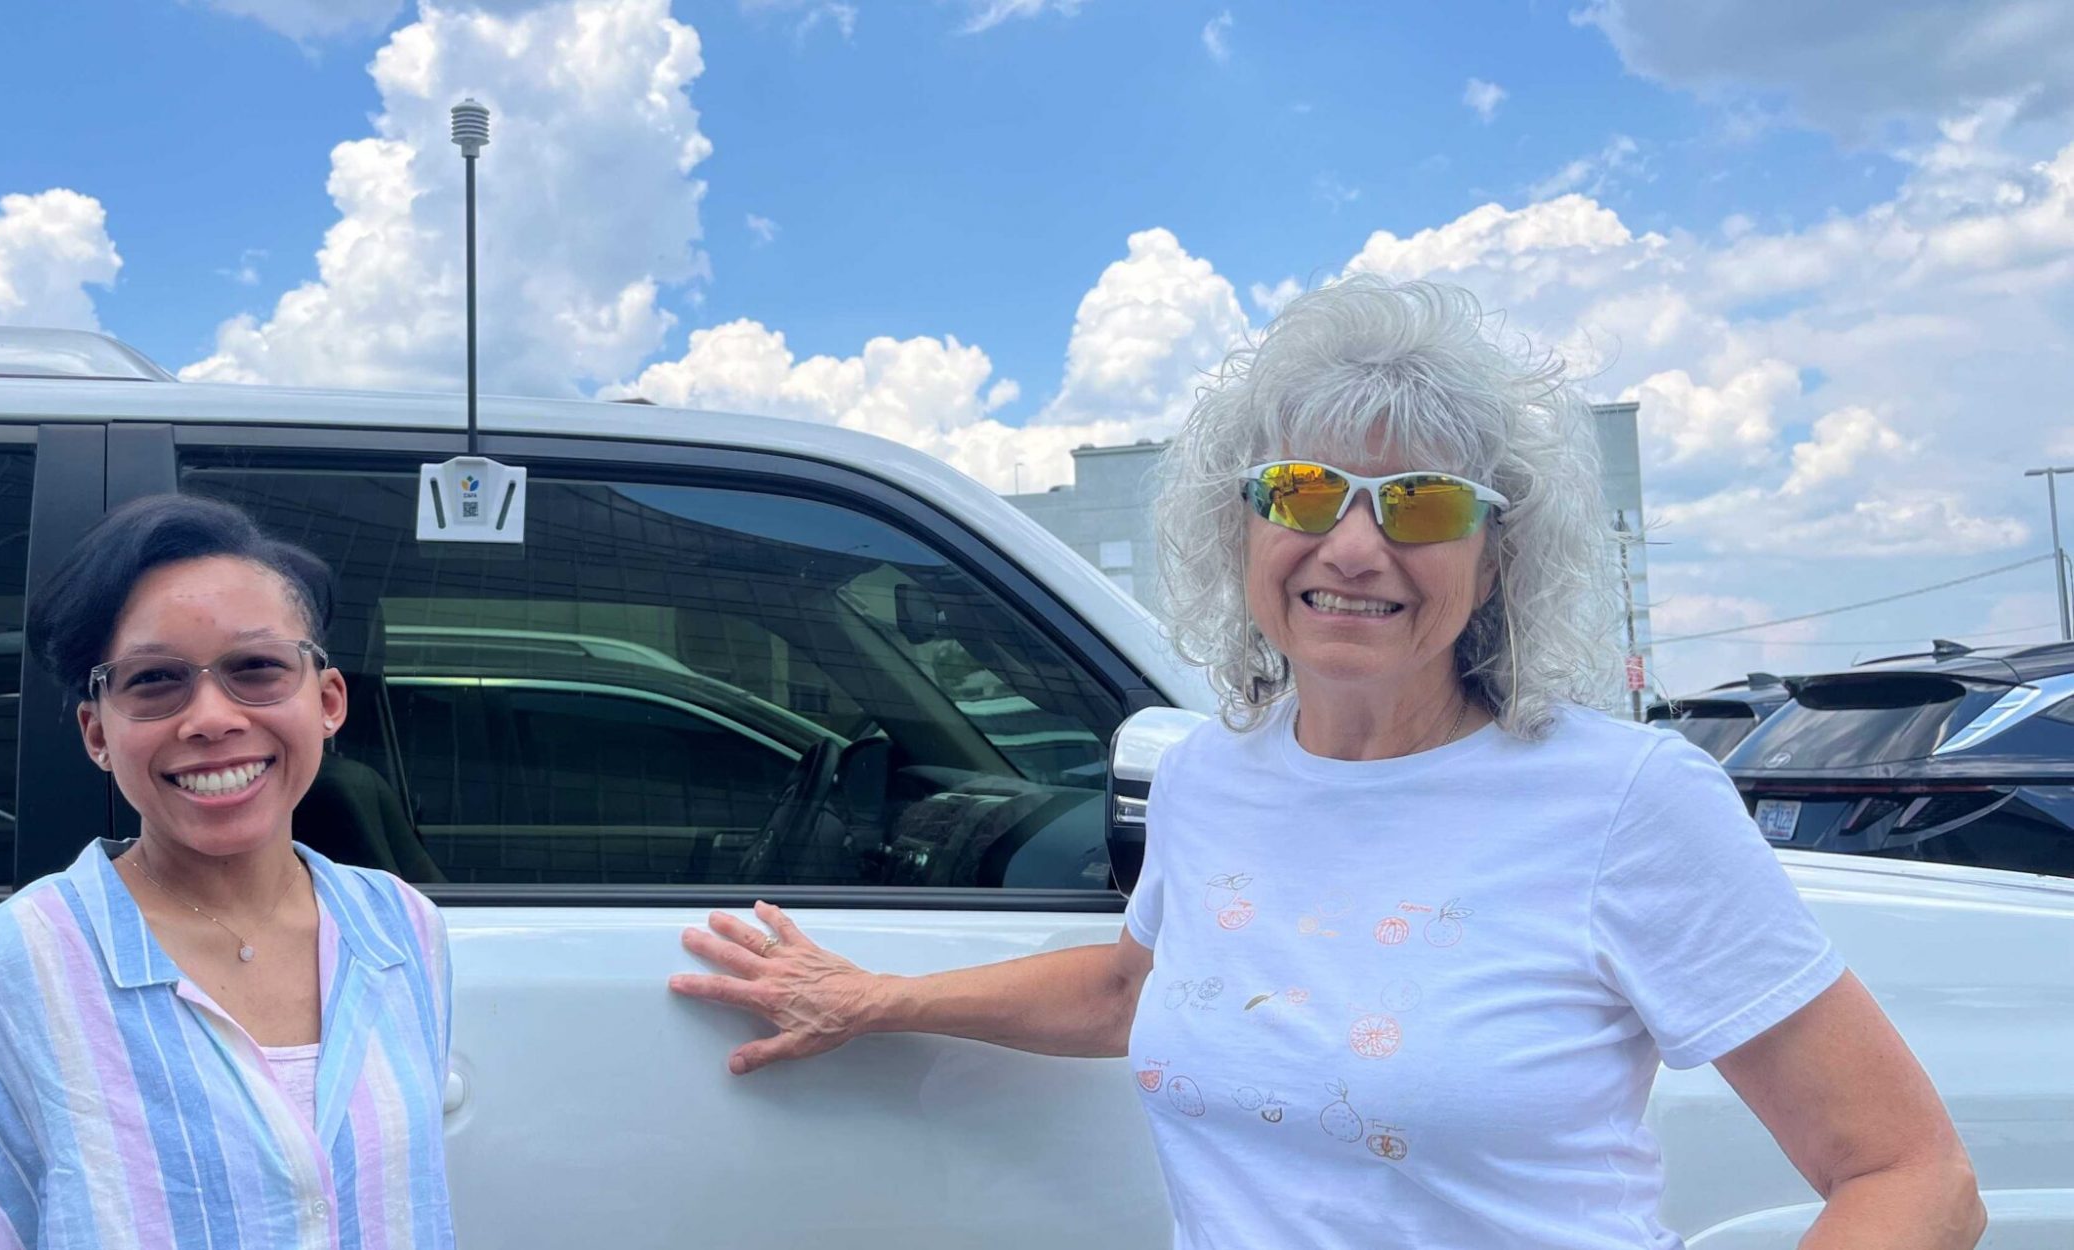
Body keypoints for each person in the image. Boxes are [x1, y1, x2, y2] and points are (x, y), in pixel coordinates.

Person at [669, 277, 1984, 1248]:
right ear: (1242, 527)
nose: (1353, 548)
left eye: (1418, 502)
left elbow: (1912, 1174)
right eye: (1301, 492)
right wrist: (881, 998)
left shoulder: (1626, 802)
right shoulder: (1204, 775)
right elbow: (1140, 984)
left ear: (1498, 557)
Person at [0, 495, 454, 1249]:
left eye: (256, 667)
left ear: (326, 701)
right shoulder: (19, 963)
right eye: (155, 680)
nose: (212, 717)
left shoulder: (402, 929)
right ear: (98, 733)